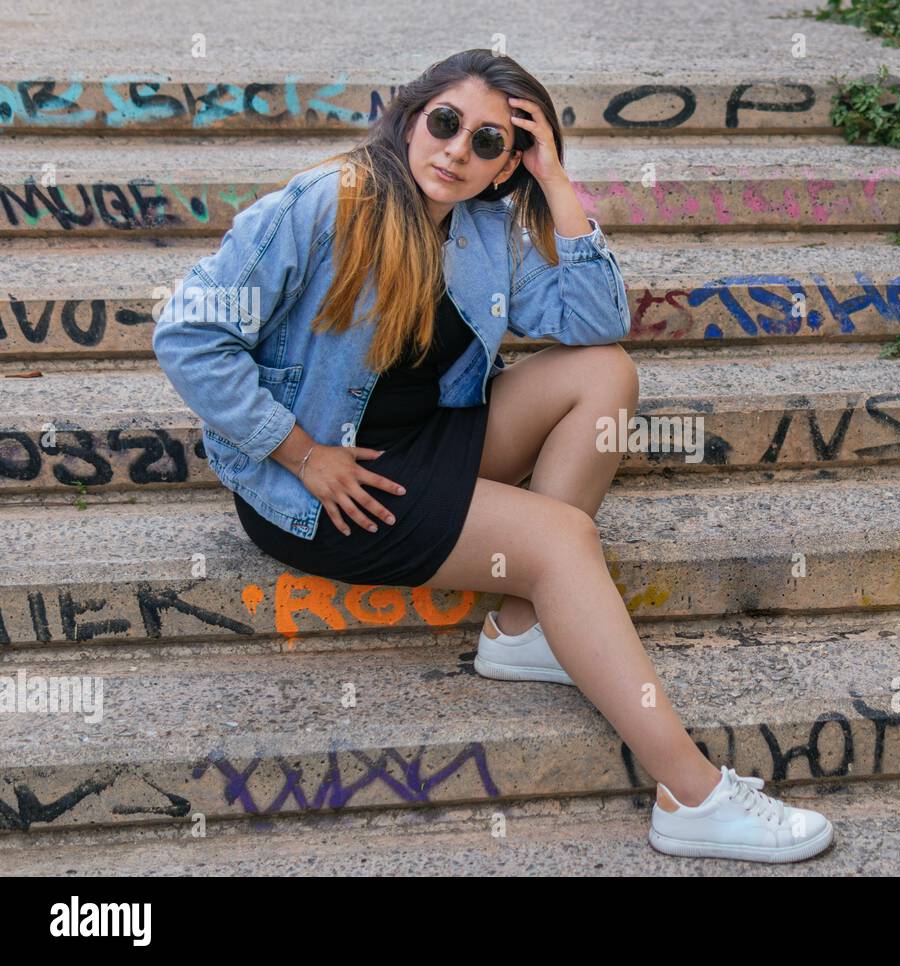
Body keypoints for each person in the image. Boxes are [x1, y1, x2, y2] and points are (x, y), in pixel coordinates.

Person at [152, 48, 833, 863]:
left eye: (488, 144)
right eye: (446, 124)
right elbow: (189, 335)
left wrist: (551, 181)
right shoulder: (325, 204)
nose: (456, 152)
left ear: (506, 162)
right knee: (562, 541)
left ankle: (521, 629)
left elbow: (596, 319)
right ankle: (691, 795)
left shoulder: (483, 228)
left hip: (427, 442)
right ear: (411, 117)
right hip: (327, 487)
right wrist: (300, 454)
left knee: (605, 376)